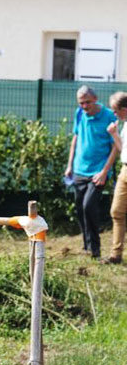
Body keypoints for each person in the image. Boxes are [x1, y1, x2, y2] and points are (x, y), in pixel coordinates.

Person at [64, 85, 117, 259]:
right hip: (79, 169)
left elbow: (115, 147)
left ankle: (95, 249)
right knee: (80, 208)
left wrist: (104, 172)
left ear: (95, 99)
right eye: (81, 103)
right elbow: (75, 139)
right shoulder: (79, 113)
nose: (84, 106)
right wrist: (70, 165)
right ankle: (86, 247)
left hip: (98, 171)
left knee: (89, 206)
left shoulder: (109, 116)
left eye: (87, 102)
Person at [105, 91, 127, 264]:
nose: (114, 114)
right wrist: (114, 134)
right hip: (124, 171)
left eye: (115, 110)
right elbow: (123, 150)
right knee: (116, 212)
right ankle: (116, 255)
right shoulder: (125, 124)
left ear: (124, 109)